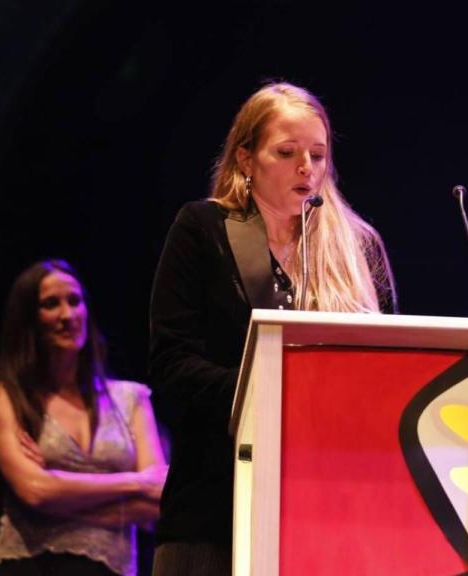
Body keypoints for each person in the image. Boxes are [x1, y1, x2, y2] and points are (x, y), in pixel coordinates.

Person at [149, 81, 397, 575]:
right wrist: (271, 395)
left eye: (318, 154)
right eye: (286, 153)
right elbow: (171, 361)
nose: (307, 168)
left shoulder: (358, 246)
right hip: (216, 502)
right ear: (245, 158)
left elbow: (385, 368)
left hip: (329, 507)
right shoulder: (203, 229)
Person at [0, 259, 167, 576]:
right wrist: (135, 482)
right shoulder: (9, 395)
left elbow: (158, 501)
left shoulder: (131, 399)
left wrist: (61, 498)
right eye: (50, 304)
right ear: (30, 319)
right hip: (29, 565)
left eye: (74, 301)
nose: (67, 315)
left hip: (109, 567)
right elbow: (35, 490)